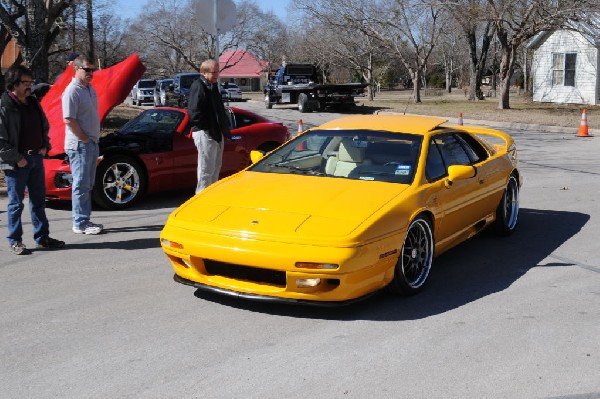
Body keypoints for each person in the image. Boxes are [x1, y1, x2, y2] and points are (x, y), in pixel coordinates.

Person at [0, 65, 65, 254]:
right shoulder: (5, 106)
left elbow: (44, 126)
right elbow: (1, 140)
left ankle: (42, 237)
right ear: (14, 84)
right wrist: (17, 158)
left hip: (36, 158)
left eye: (31, 82)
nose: (29, 86)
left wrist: (45, 146)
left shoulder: (33, 103)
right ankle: (15, 240)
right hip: (17, 163)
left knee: (38, 201)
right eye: (25, 83)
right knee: (15, 204)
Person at [62, 55, 103, 235]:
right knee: (81, 184)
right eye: (87, 70)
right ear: (76, 69)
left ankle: (84, 219)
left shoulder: (89, 89)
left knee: (88, 184)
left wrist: (92, 140)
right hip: (79, 145)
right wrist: (84, 139)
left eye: (92, 70)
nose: (91, 73)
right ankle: (80, 223)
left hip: (92, 143)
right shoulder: (72, 91)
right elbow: (68, 119)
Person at [187, 59, 231, 194]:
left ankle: (211, 196)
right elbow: (194, 113)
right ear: (204, 73)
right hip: (205, 133)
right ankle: (201, 199)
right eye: (214, 72)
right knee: (206, 170)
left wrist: (224, 128)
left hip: (216, 133)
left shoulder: (213, 87)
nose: (217, 74)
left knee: (215, 168)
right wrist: (206, 128)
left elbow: (219, 110)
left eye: (218, 71)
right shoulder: (199, 86)